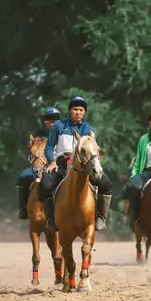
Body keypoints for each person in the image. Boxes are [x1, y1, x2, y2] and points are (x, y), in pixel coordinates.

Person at [38, 96, 114, 231]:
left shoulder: (90, 130)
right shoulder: (58, 126)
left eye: (81, 110)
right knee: (45, 183)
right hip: (62, 164)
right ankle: (51, 219)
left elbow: (93, 149)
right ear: (69, 111)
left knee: (106, 183)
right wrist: (52, 162)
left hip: (84, 166)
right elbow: (49, 147)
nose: (78, 112)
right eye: (75, 109)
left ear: (84, 112)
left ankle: (101, 216)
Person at [16, 107, 60, 220]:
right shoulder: (37, 135)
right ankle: (23, 208)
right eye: (51, 121)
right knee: (23, 177)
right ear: (46, 122)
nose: (53, 123)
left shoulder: (63, 135)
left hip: (58, 167)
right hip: (39, 166)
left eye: (56, 121)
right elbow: (31, 151)